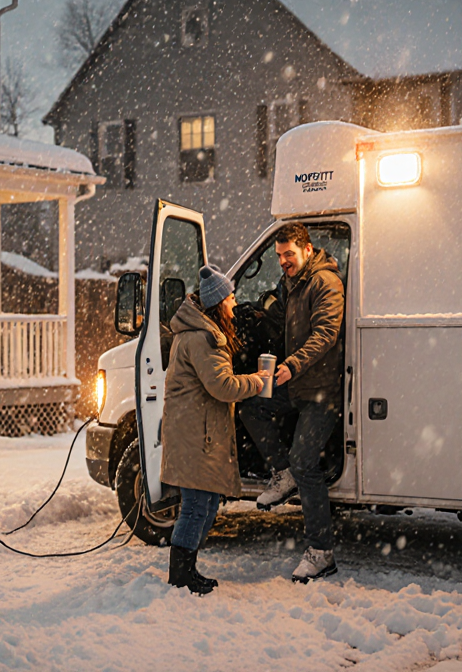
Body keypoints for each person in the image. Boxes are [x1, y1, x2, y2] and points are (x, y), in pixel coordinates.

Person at [240, 222, 345, 583]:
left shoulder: (325, 283)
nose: (283, 261)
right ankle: (282, 474)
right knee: (252, 407)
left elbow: (325, 334)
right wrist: (256, 315)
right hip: (296, 384)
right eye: (279, 255)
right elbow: (280, 315)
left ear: (308, 250)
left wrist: (292, 364)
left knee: (305, 462)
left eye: (289, 254)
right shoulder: (293, 282)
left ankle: (321, 552)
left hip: (320, 391)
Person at [160, 265, 269, 594]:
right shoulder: (203, 338)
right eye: (231, 298)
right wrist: (257, 381)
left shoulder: (200, 332)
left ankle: (186, 569)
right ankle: (181, 574)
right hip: (195, 433)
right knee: (196, 506)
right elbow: (222, 386)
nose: (235, 303)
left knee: (203, 505)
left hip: (195, 429)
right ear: (219, 302)